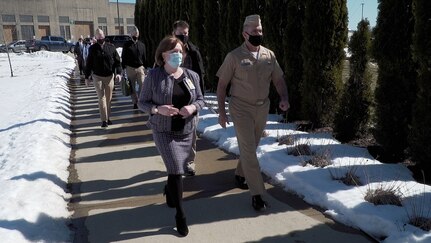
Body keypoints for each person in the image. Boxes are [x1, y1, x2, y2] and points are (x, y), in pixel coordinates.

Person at [216, 15, 290, 211]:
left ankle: (241, 174)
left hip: (262, 107)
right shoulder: (234, 57)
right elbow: (222, 86)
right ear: (245, 34)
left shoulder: (269, 56)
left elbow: (279, 80)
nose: (259, 34)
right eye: (255, 31)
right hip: (240, 107)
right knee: (249, 150)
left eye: (260, 30)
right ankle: (258, 193)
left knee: (252, 145)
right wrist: (222, 112)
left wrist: (284, 98)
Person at [138, 36, 204, 236]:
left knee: (176, 169)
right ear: (163, 55)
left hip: (186, 131)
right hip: (163, 131)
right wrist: (158, 110)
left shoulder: (192, 76)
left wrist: (192, 107)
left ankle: (169, 190)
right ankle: (180, 215)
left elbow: (200, 99)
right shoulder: (154, 76)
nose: (178, 55)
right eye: (173, 51)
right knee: (176, 170)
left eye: (180, 51)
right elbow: (142, 102)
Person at [172, 20, 206, 176]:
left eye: (186, 33)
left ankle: (189, 162)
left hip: (190, 99)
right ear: (174, 33)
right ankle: (176, 160)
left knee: (191, 132)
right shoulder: (166, 51)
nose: (183, 36)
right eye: (180, 33)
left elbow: (200, 74)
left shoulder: (194, 51)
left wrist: (201, 98)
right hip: (171, 97)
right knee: (174, 132)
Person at [84, 29, 122, 128]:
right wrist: (87, 77)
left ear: (104, 36)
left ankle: (108, 117)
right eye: (98, 36)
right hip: (97, 77)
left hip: (109, 77)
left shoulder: (111, 48)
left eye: (102, 36)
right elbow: (89, 64)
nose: (100, 38)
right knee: (101, 98)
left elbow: (117, 62)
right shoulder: (92, 49)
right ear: (96, 38)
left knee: (109, 99)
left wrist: (119, 73)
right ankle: (104, 120)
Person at [121, 26, 147, 109]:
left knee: (142, 85)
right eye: (134, 33)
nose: (135, 35)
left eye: (137, 34)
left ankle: (141, 100)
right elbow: (123, 56)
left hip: (140, 67)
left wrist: (145, 68)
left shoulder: (142, 45)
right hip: (130, 68)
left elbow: (144, 57)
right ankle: (135, 102)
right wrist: (123, 68)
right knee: (132, 87)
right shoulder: (127, 45)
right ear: (131, 34)